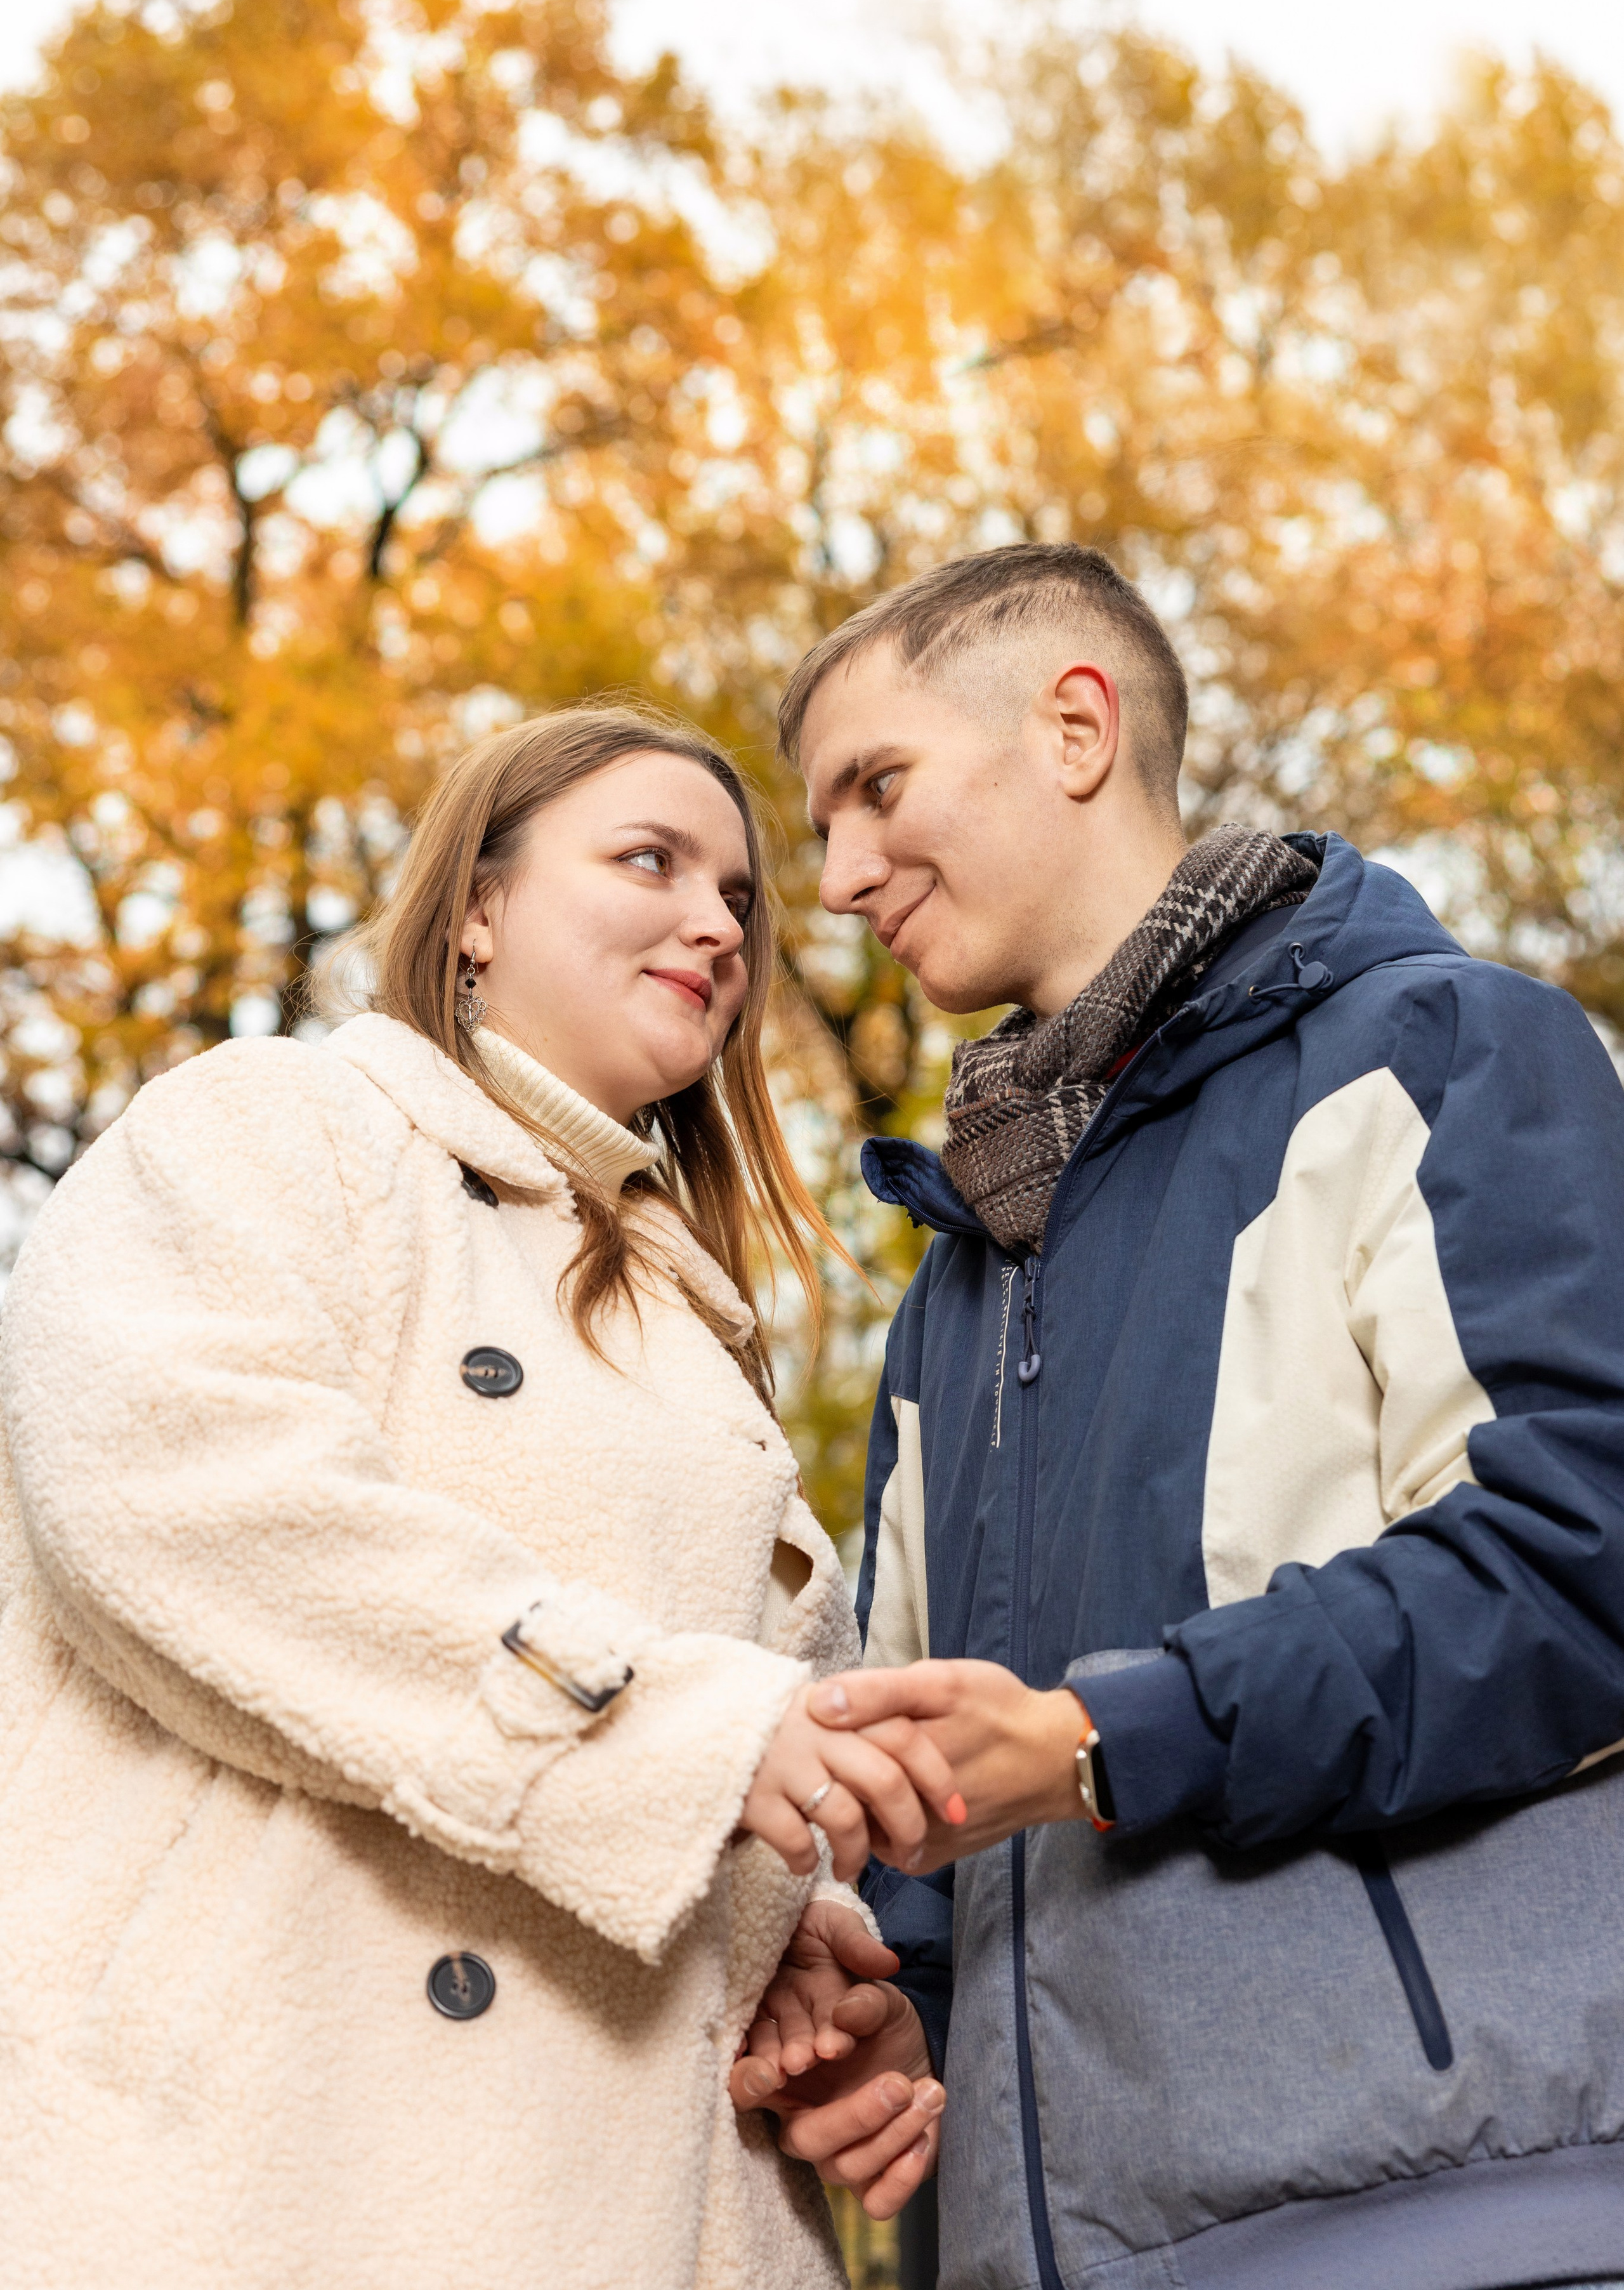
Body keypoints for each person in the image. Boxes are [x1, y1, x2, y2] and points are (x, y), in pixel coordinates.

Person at [733, 544, 1624, 2290]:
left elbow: (1578, 1557)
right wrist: (892, 2018)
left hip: (1455, 2227)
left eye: (877, 787)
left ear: (1076, 726)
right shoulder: (955, 1285)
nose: (835, 876)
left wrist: (1097, 1737)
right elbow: (938, 1795)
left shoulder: (1449, 1053)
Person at [0, 704, 962, 2290]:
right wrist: (681, 1737)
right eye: (648, 858)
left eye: (737, 896)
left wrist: (813, 1986)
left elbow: (741, 1776)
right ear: (476, 909)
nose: (715, 922)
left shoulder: (709, 1359)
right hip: (262, 2172)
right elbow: (181, 1498)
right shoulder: (282, 1127)